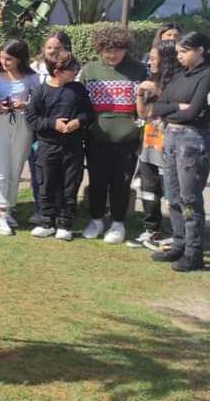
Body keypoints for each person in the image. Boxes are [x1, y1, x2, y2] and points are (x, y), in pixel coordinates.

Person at [143, 32, 210, 272]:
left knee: (189, 198)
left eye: (184, 52)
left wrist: (167, 111)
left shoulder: (206, 75)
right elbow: (155, 107)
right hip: (170, 137)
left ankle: (193, 252)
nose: (179, 56)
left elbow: (194, 112)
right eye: (179, 52)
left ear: (200, 50)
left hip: (192, 141)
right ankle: (179, 242)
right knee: (173, 195)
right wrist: (172, 109)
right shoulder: (182, 75)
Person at [79, 26, 147, 244]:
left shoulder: (139, 70)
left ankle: (118, 223)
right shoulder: (90, 70)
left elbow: (147, 104)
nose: (111, 54)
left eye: (117, 49)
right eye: (106, 50)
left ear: (125, 48)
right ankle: (96, 219)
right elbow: (79, 101)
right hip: (96, 137)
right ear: (100, 49)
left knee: (121, 181)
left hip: (127, 139)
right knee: (97, 180)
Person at [27, 50, 93, 241]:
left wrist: (77, 122)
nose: (75, 71)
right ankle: (46, 221)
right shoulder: (41, 92)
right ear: (57, 71)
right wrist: (52, 123)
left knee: (70, 185)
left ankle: (65, 223)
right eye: (71, 68)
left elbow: (88, 113)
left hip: (73, 147)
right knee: (46, 184)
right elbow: (31, 118)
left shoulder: (78, 90)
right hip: (48, 146)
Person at [0, 39, 39, 236]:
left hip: (22, 125)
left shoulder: (31, 77)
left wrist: (25, 104)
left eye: (8, 59)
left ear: (19, 59)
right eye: (2, 57)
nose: (4, 62)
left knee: (15, 167)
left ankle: (8, 209)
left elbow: (37, 100)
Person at [133, 40, 179, 251]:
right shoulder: (151, 80)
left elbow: (180, 106)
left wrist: (158, 91)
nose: (149, 62)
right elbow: (143, 113)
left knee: (172, 193)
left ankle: (179, 236)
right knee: (149, 190)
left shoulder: (180, 81)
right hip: (149, 144)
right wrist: (140, 93)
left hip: (171, 146)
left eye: (153, 58)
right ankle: (152, 230)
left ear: (166, 60)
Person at [28, 30, 71, 225]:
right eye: (49, 47)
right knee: (40, 172)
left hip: (63, 132)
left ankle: (60, 212)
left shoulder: (70, 69)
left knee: (61, 174)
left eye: (57, 48)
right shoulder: (34, 68)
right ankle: (42, 209)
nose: (52, 51)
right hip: (39, 129)